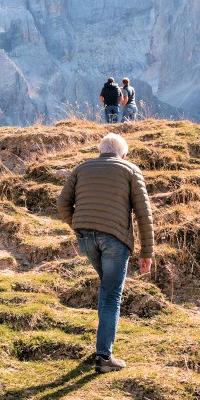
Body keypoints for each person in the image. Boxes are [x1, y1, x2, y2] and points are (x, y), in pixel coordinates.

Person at [56, 133, 154, 374]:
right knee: (111, 294)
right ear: (123, 154)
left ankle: (103, 346)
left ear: (101, 150)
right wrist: (146, 252)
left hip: (86, 237)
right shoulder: (130, 170)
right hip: (115, 240)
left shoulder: (82, 168)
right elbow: (144, 213)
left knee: (107, 288)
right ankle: (104, 357)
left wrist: (78, 224)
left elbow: (62, 204)